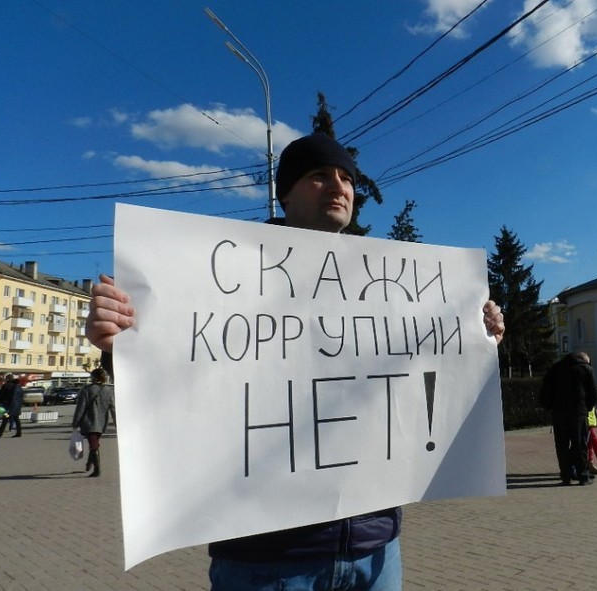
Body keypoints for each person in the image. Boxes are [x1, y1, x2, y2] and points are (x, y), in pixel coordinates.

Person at [86, 133, 506, 591]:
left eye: (347, 178)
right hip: (268, 560)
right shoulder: (222, 279)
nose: (339, 187)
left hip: (376, 551)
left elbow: (421, 375)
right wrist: (120, 342)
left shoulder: (390, 286)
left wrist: (477, 334)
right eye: (319, 175)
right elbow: (185, 373)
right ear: (284, 193)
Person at [540, 351, 597, 486]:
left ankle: (566, 476)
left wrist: (549, 406)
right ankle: (583, 476)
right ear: (584, 360)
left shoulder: (555, 368)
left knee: (562, 445)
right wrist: (587, 407)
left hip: (559, 412)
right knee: (580, 444)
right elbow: (593, 392)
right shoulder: (586, 369)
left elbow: (545, 390)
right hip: (578, 412)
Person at [72, 367, 116, 477]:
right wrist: (116, 423)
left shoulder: (86, 389)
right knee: (94, 444)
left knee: (93, 445)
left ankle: (97, 470)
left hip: (89, 422)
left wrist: (75, 422)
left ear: (94, 377)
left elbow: (81, 407)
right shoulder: (108, 390)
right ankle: (89, 464)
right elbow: (113, 408)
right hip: (102, 423)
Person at [0, 374, 23, 438]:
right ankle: (19, 433)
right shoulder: (18, 386)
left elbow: (1, 395)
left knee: (5, 419)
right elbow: (21, 397)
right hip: (16, 406)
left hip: (8, 406)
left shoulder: (6, 386)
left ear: (7, 379)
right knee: (16, 419)